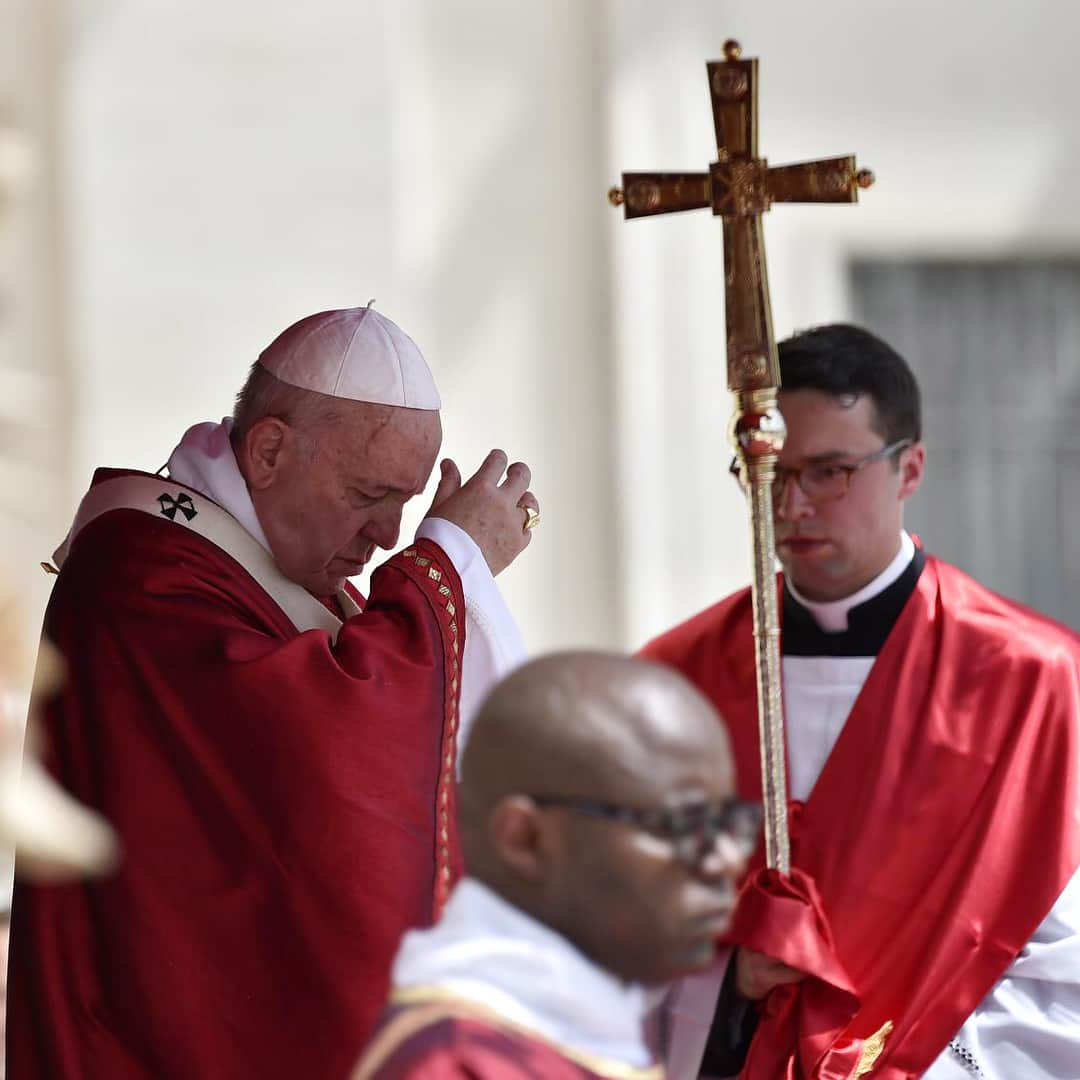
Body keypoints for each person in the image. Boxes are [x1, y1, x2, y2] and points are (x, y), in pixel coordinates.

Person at [7, 304, 539, 1079]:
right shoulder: (141, 575)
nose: (388, 537)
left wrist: (442, 577)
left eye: (408, 505)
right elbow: (323, 751)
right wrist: (448, 567)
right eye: (368, 495)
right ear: (267, 451)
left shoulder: (282, 583)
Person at [642, 324, 1080, 1080]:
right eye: (769, 472)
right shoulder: (677, 680)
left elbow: (1062, 966)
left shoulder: (1035, 682)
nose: (793, 505)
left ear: (909, 468)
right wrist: (727, 984)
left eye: (830, 471)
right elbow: (612, 930)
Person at [353, 651, 755, 1080]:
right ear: (524, 839)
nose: (726, 860)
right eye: (680, 825)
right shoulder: (456, 1065)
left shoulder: (576, 1032)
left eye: (726, 822)